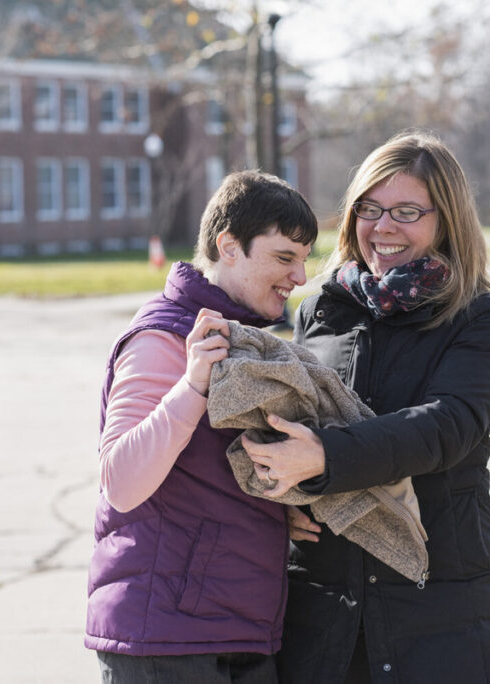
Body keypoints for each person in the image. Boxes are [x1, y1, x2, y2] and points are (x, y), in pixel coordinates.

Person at [242, 131, 490, 683]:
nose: (383, 227)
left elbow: (449, 425)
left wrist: (324, 458)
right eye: (369, 209)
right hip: (327, 616)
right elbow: (285, 422)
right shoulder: (320, 309)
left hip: (443, 605)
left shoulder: (481, 315)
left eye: (406, 211)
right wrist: (282, 500)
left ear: (445, 219)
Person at [85, 170, 317, 683]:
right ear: (228, 246)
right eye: (284, 258)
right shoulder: (163, 339)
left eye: (304, 260)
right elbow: (121, 482)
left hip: (242, 631)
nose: (299, 277)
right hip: (165, 640)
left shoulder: (249, 346)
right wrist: (191, 388)